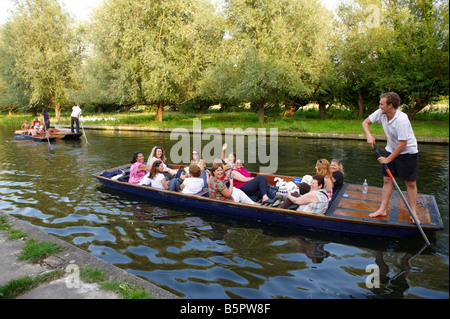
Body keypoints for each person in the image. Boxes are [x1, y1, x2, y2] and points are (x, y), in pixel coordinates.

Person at [362, 92, 419, 222]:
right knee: (387, 180)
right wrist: (369, 136)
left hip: (408, 152)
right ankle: (382, 209)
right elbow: (365, 123)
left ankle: (414, 213)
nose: (379, 106)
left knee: (410, 183)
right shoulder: (381, 113)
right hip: (391, 149)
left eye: (382, 104)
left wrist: (388, 159)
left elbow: (403, 144)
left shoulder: (401, 120)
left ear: (390, 105)